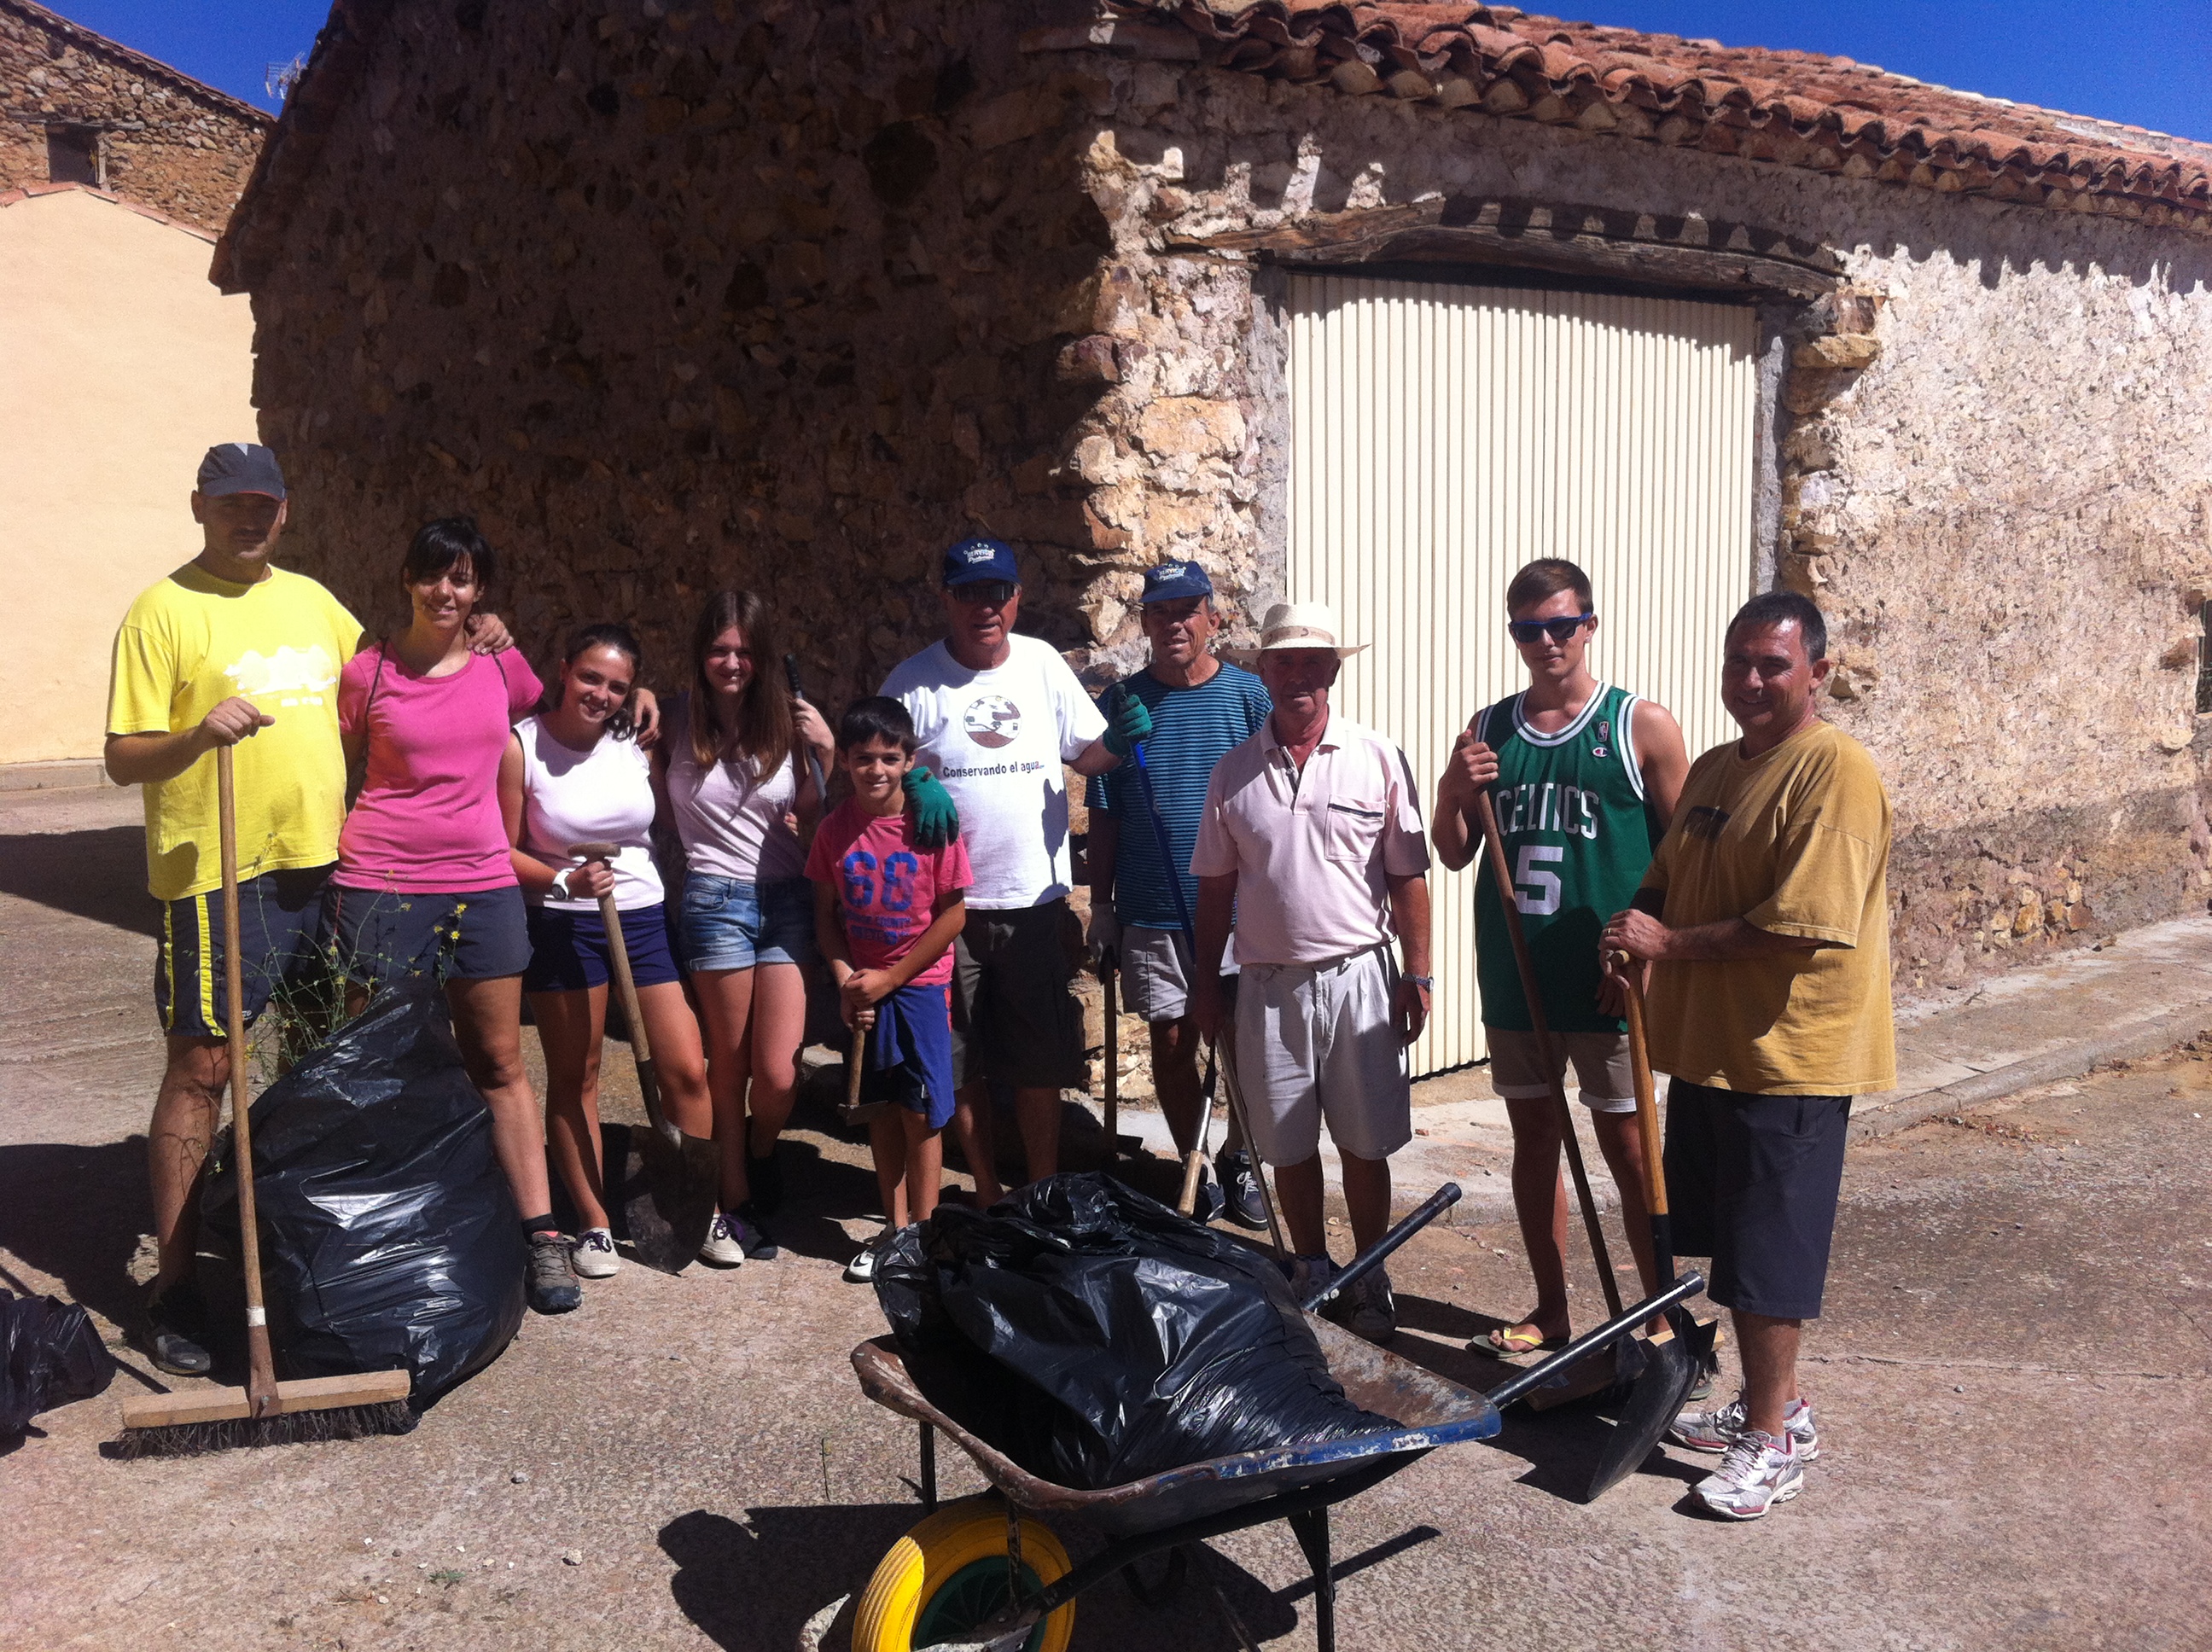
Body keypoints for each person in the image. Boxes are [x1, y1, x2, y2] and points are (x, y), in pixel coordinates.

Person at [102, 445, 517, 1374]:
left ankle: (298, 1249)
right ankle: (173, 1288)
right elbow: (122, 755)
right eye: (230, 503)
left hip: (325, 865)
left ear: (283, 513)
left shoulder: (316, 602)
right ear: (199, 507)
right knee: (205, 1066)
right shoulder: (162, 610)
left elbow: (400, 667)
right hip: (216, 874)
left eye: (263, 504)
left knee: (326, 1059)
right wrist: (192, 734)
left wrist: (477, 626)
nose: (248, 518)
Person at [1600, 590, 1895, 1521]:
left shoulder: (1834, 772)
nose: (1754, 680)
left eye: (1773, 664)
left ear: (1818, 670)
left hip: (1791, 1056)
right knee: (1735, 1249)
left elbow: (1804, 927)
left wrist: (1669, 949)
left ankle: (1770, 1442)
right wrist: (1628, 932)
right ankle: (1778, 1409)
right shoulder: (1722, 767)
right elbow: (1671, 871)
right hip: (1716, 1052)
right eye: (1739, 663)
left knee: (1770, 1261)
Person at [1430, 559, 1690, 1356]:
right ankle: (1552, 1308)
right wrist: (1452, 786)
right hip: (1517, 975)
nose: (1547, 643)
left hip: (1604, 980)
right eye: (1528, 630)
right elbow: (1451, 851)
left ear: (1590, 625)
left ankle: (1662, 1310)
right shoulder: (1487, 730)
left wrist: (1649, 954)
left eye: (1561, 625)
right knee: (1535, 1143)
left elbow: (1685, 860)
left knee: (1628, 1148)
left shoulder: (1640, 725)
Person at [323, 517, 579, 1315]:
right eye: (435, 575)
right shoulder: (368, 672)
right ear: (407, 578)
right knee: (383, 1059)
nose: (448, 592)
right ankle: (393, 1228)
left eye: (464, 579)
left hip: (482, 881)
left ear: (480, 591)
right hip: (380, 879)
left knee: (499, 1061)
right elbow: (332, 767)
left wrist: (646, 698)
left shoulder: (504, 665)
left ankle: (541, 1237)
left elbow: (565, 719)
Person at [1190, 602, 1434, 1343]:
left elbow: (1409, 879)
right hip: (1267, 985)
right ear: (1263, 672)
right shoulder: (1233, 773)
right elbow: (1215, 891)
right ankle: (1309, 1266)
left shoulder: (1378, 755)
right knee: (1287, 1144)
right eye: (1283, 661)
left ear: (1333, 670)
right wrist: (1207, 984)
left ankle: (1370, 1271)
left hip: (1360, 975)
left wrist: (1418, 973)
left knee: (1364, 1143)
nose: (1298, 675)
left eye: (1312, 661)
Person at [880, 537, 1149, 1200]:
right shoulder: (911, 683)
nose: (985, 607)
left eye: (997, 593)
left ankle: (1044, 1188)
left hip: (1034, 900)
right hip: (951, 908)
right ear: (946, 599)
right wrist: (912, 783)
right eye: (969, 593)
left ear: (1016, 598)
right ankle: (988, 1189)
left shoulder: (1042, 665)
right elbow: (871, 770)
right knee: (961, 1059)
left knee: (1035, 1064)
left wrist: (1115, 743)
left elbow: (1085, 757)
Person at [499, 623, 713, 1277]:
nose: (601, 694)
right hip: (562, 924)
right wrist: (563, 877)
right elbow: (500, 849)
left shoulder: (631, 738)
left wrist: (645, 695)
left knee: (687, 1070)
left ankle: (697, 1207)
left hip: (642, 916)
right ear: (563, 670)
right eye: (591, 677)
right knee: (578, 1075)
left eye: (618, 685)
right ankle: (593, 1221)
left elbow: (702, 702)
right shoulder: (523, 747)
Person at [1086, 561, 1271, 1226]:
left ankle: (1241, 1156)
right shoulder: (1124, 704)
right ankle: (1193, 1163)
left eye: (1188, 610)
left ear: (1212, 620)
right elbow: (1103, 808)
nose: (1175, 624)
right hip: (1152, 906)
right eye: (1161, 613)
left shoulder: (1249, 698)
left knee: (1246, 1044)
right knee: (1170, 1040)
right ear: (1145, 623)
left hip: (1242, 909)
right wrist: (1102, 909)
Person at [659, 590, 834, 1260]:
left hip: (787, 898)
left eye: (742, 651)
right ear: (701, 655)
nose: (730, 662)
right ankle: (734, 1200)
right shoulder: (675, 720)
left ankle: (762, 1151)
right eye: (718, 650)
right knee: (727, 1069)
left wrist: (832, 752)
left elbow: (818, 815)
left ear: (761, 655)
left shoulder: (790, 723)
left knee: (780, 1072)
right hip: (713, 901)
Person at [807, 697, 972, 1282]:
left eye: (888, 758)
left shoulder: (931, 826)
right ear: (846, 763)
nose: (875, 770)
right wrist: (847, 985)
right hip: (863, 988)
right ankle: (894, 1229)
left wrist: (892, 979)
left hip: (918, 987)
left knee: (920, 1112)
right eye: (862, 759)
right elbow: (825, 916)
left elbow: (953, 918)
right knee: (878, 1108)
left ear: (909, 761)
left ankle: (923, 1238)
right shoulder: (834, 831)